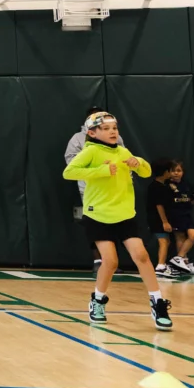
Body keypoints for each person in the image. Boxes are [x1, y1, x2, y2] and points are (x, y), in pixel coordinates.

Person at [64, 111, 172, 330]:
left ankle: (158, 302)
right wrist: (102, 170)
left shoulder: (123, 151)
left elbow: (146, 171)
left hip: (125, 215)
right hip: (98, 215)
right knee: (111, 261)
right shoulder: (90, 151)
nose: (112, 131)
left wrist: (138, 162)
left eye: (114, 128)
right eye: (105, 128)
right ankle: (97, 300)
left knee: (141, 256)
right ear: (92, 133)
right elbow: (69, 172)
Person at [66, 106, 124, 274]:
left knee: (116, 223)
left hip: (114, 188)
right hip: (91, 189)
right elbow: (71, 163)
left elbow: (124, 158)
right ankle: (99, 260)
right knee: (96, 223)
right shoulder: (78, 139)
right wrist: (95, 167)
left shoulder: (116, 138)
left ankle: (112, 261)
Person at [156, 159, 194, 275]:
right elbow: (162, 203)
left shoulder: (186, 184)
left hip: (187, 215)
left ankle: (179, 258)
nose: (176, 173)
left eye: (179, 170)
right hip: (175, 216)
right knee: (180, 237)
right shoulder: (167, 185)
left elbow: (193, 199)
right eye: (173, 171)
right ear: (168, 172)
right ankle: (185, 263)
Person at [147, 159, 178, 276]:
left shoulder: (164, 186)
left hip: (160, 219)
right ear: (165, 172)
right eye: (170, 171)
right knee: (163, 241)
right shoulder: (156, 187)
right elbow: (159, 205)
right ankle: (160, 266)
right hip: (157, 220)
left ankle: (163, 265)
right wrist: (164, 222)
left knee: (167, 241)